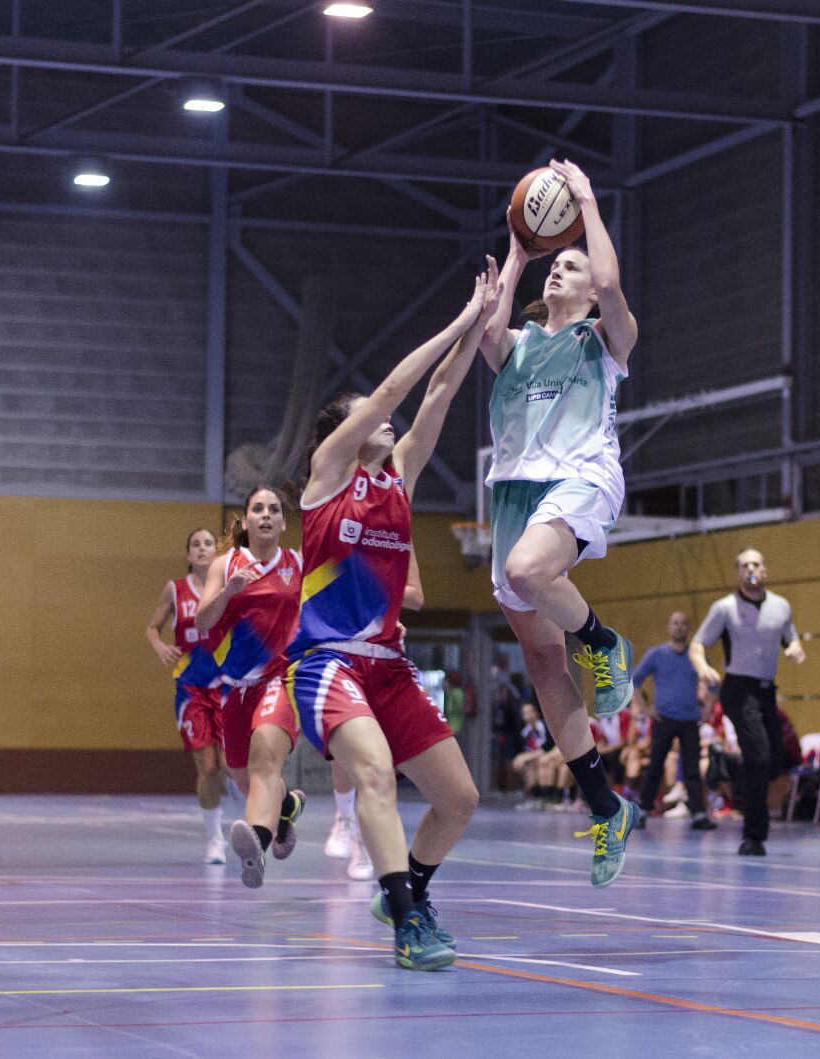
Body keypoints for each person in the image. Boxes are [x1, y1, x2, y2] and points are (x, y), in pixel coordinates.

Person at [284, 273, 494, 971]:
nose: (386, 421)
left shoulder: (396, 476)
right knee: (373, 771)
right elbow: (392, 394)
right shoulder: (326, 474)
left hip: (387, 664)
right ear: (341, 431)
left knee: (458, 798)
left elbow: (437, 392)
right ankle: (408, 923)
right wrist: (459, 313)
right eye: (367, 416)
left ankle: (410, 888)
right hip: (325, 663)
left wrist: (488, 309)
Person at [480, 158, 644, 885]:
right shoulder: (518, 346)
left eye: (568, 265)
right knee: (545, 665)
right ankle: (607, 806)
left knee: (527, 571)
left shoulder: (605, 341)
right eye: (558, 265)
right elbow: (485, 329)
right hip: (515, 493)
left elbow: (610, 284)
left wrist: (584, 203)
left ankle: (604, 639)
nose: (562, 273)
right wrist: (519, 251)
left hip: (582, 478)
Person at [192, 487, 307, 887]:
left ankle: (256, 844)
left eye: (274, 510)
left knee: (264, 766)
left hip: (281, 679)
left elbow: (332, 602)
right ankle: (287, 806)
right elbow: (202, 623)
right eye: (258, 508)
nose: (265, 515)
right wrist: (229, 592)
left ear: (282, 522)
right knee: (242, 778)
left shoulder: (298, 564)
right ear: (246, 520)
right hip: (235, 688)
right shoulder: (225, 564)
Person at [691, 548, 805, 856]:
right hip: (738, 690)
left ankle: (742, 787)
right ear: (738, 573)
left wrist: (795, 649)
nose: (750, 569)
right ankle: (753, 835)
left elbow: (790, 637)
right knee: (758, 756)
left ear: (764, 570)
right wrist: (703, 668)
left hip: (766, 691)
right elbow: (698, 644)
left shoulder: (781, 606)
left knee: (772, 761)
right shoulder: (725, 608)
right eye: (744, 565)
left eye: (755, 564)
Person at [144, 528, 229, 864]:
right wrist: (161, 646)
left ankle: (233, 793)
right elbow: (152, 627)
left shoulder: (227, 587)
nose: (202, 549)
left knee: (227, 764)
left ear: (216, 551)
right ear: (189, 554)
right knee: (207, 768)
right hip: (191, 688)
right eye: (196, 544)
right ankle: (215, 839)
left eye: (208, 544)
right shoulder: (175, 590)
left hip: (225, 686)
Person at [633, 611, 715, 830]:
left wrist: (707, 710)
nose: (679, 627)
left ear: (689, 629)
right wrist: (645, 709)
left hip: (690, 721)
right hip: (664, 719)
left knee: (691, 768)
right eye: (675, 623)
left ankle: (698, 813)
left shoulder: (697, 656)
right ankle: (642, 810)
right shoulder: (656, 654)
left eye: (684, 624)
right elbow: (634, 681)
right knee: (655, 765)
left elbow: (714, 684)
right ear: (669, 627)